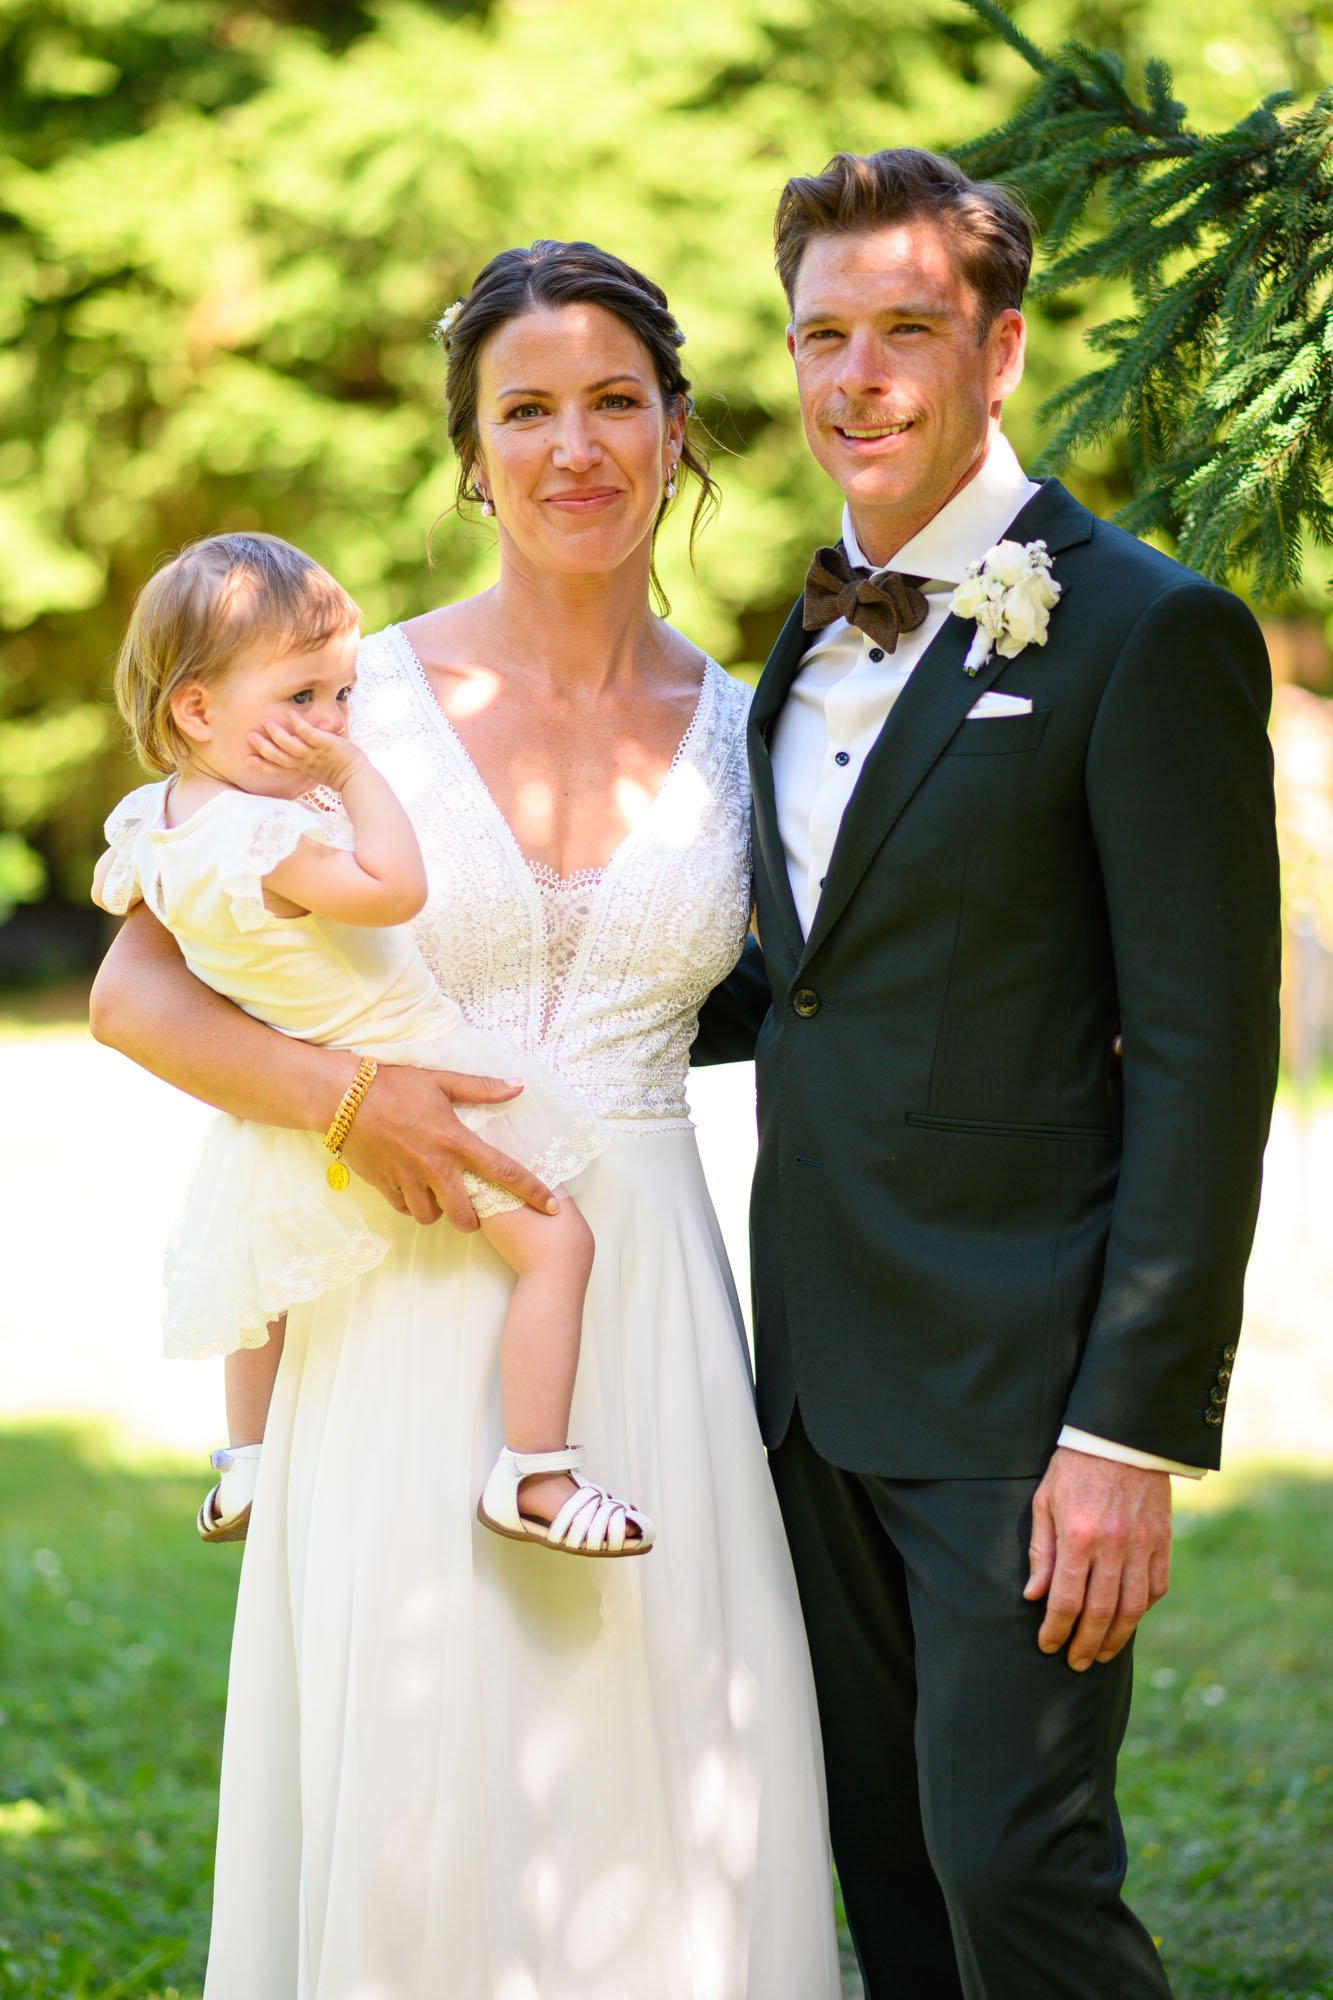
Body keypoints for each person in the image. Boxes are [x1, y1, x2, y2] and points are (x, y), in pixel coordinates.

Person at [89, 241, 842, 1998]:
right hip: (396, 1289)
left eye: (614, 402)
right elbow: (135, 993)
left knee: (659, 1775)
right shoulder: (335, 703)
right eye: (525, 409)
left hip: (637, 1296)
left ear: (676, 431)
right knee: (419, 1787)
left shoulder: (756, 732)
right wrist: (353, 1101)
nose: (573, 446)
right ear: (470, 449)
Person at [698, 148, 1281, 1999]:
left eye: (903, 331)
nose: (855, 378)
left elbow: (1204, 1064)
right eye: (821, 336)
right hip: (808, 1383)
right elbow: (799, 984)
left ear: (1000, 349)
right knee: (887, 1877)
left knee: (1013, 1876)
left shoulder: (1145, 632)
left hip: (1021, 1402)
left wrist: (1127, 1434)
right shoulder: (800, 632)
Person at [93, 530, 652, 1558]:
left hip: (278, 1097)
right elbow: (395, 890)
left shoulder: (154, 825)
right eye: (303, 697)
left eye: (342, 696)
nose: (334, 722)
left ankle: (247, 1457)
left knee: (264, 1280)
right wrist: (353, 777)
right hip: (412, 1060)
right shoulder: (269, 836)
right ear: (198, 710)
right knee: (557, 1243)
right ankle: (535, 1471)